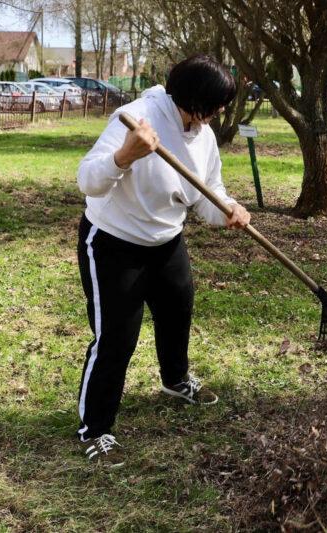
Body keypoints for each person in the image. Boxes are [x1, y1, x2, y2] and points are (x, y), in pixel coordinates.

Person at [75, 54, 251, 464]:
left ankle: (175, 380)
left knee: (177, 311)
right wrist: (125, 156)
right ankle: (95, 429)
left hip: (167, 240)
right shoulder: (136, 119)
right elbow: (87, 179)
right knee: (116, 338)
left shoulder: (202, 133)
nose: (220, 111)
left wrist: (227, 209)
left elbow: (207, 191)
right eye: (216, 104)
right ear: (193, 98)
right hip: (114, 242)